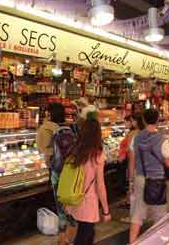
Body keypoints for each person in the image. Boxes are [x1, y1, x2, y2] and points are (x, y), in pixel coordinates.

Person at [128, 108, 169, 244]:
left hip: (140, 178)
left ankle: (132, 243)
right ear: (158, 120)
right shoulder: (163, 139)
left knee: (137, 216)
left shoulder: (136, 138)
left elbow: (132, 162)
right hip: (157, 181)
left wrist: (130, 182)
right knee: (159, 217)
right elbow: (168, 163)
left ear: (143, 120)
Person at [67, 114, 111, 245]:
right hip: (88, 201)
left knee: (87, 234)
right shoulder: (97, 155)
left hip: (74, 198)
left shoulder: (75, 150)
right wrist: (106, 210)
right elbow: (100, 184)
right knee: (84, 236)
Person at [37, 103, 77, 245]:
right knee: (70, 205)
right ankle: (71, 238)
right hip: (71, 170)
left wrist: (50, 166)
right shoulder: (68, 127)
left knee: (60, 207)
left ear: (49, 113)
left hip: (57, 172)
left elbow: (45, 153)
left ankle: (62, 240)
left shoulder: (45, 128)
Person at [117, 115, 134, 205]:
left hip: (128, 160)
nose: (124, 124)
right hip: (127, 159)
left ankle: (129, 202)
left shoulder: (132, 133)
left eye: (125, 122)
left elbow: (129, 148)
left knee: (129, 181)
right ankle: (128, 200)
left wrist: (122, 155)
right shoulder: (131, 133)